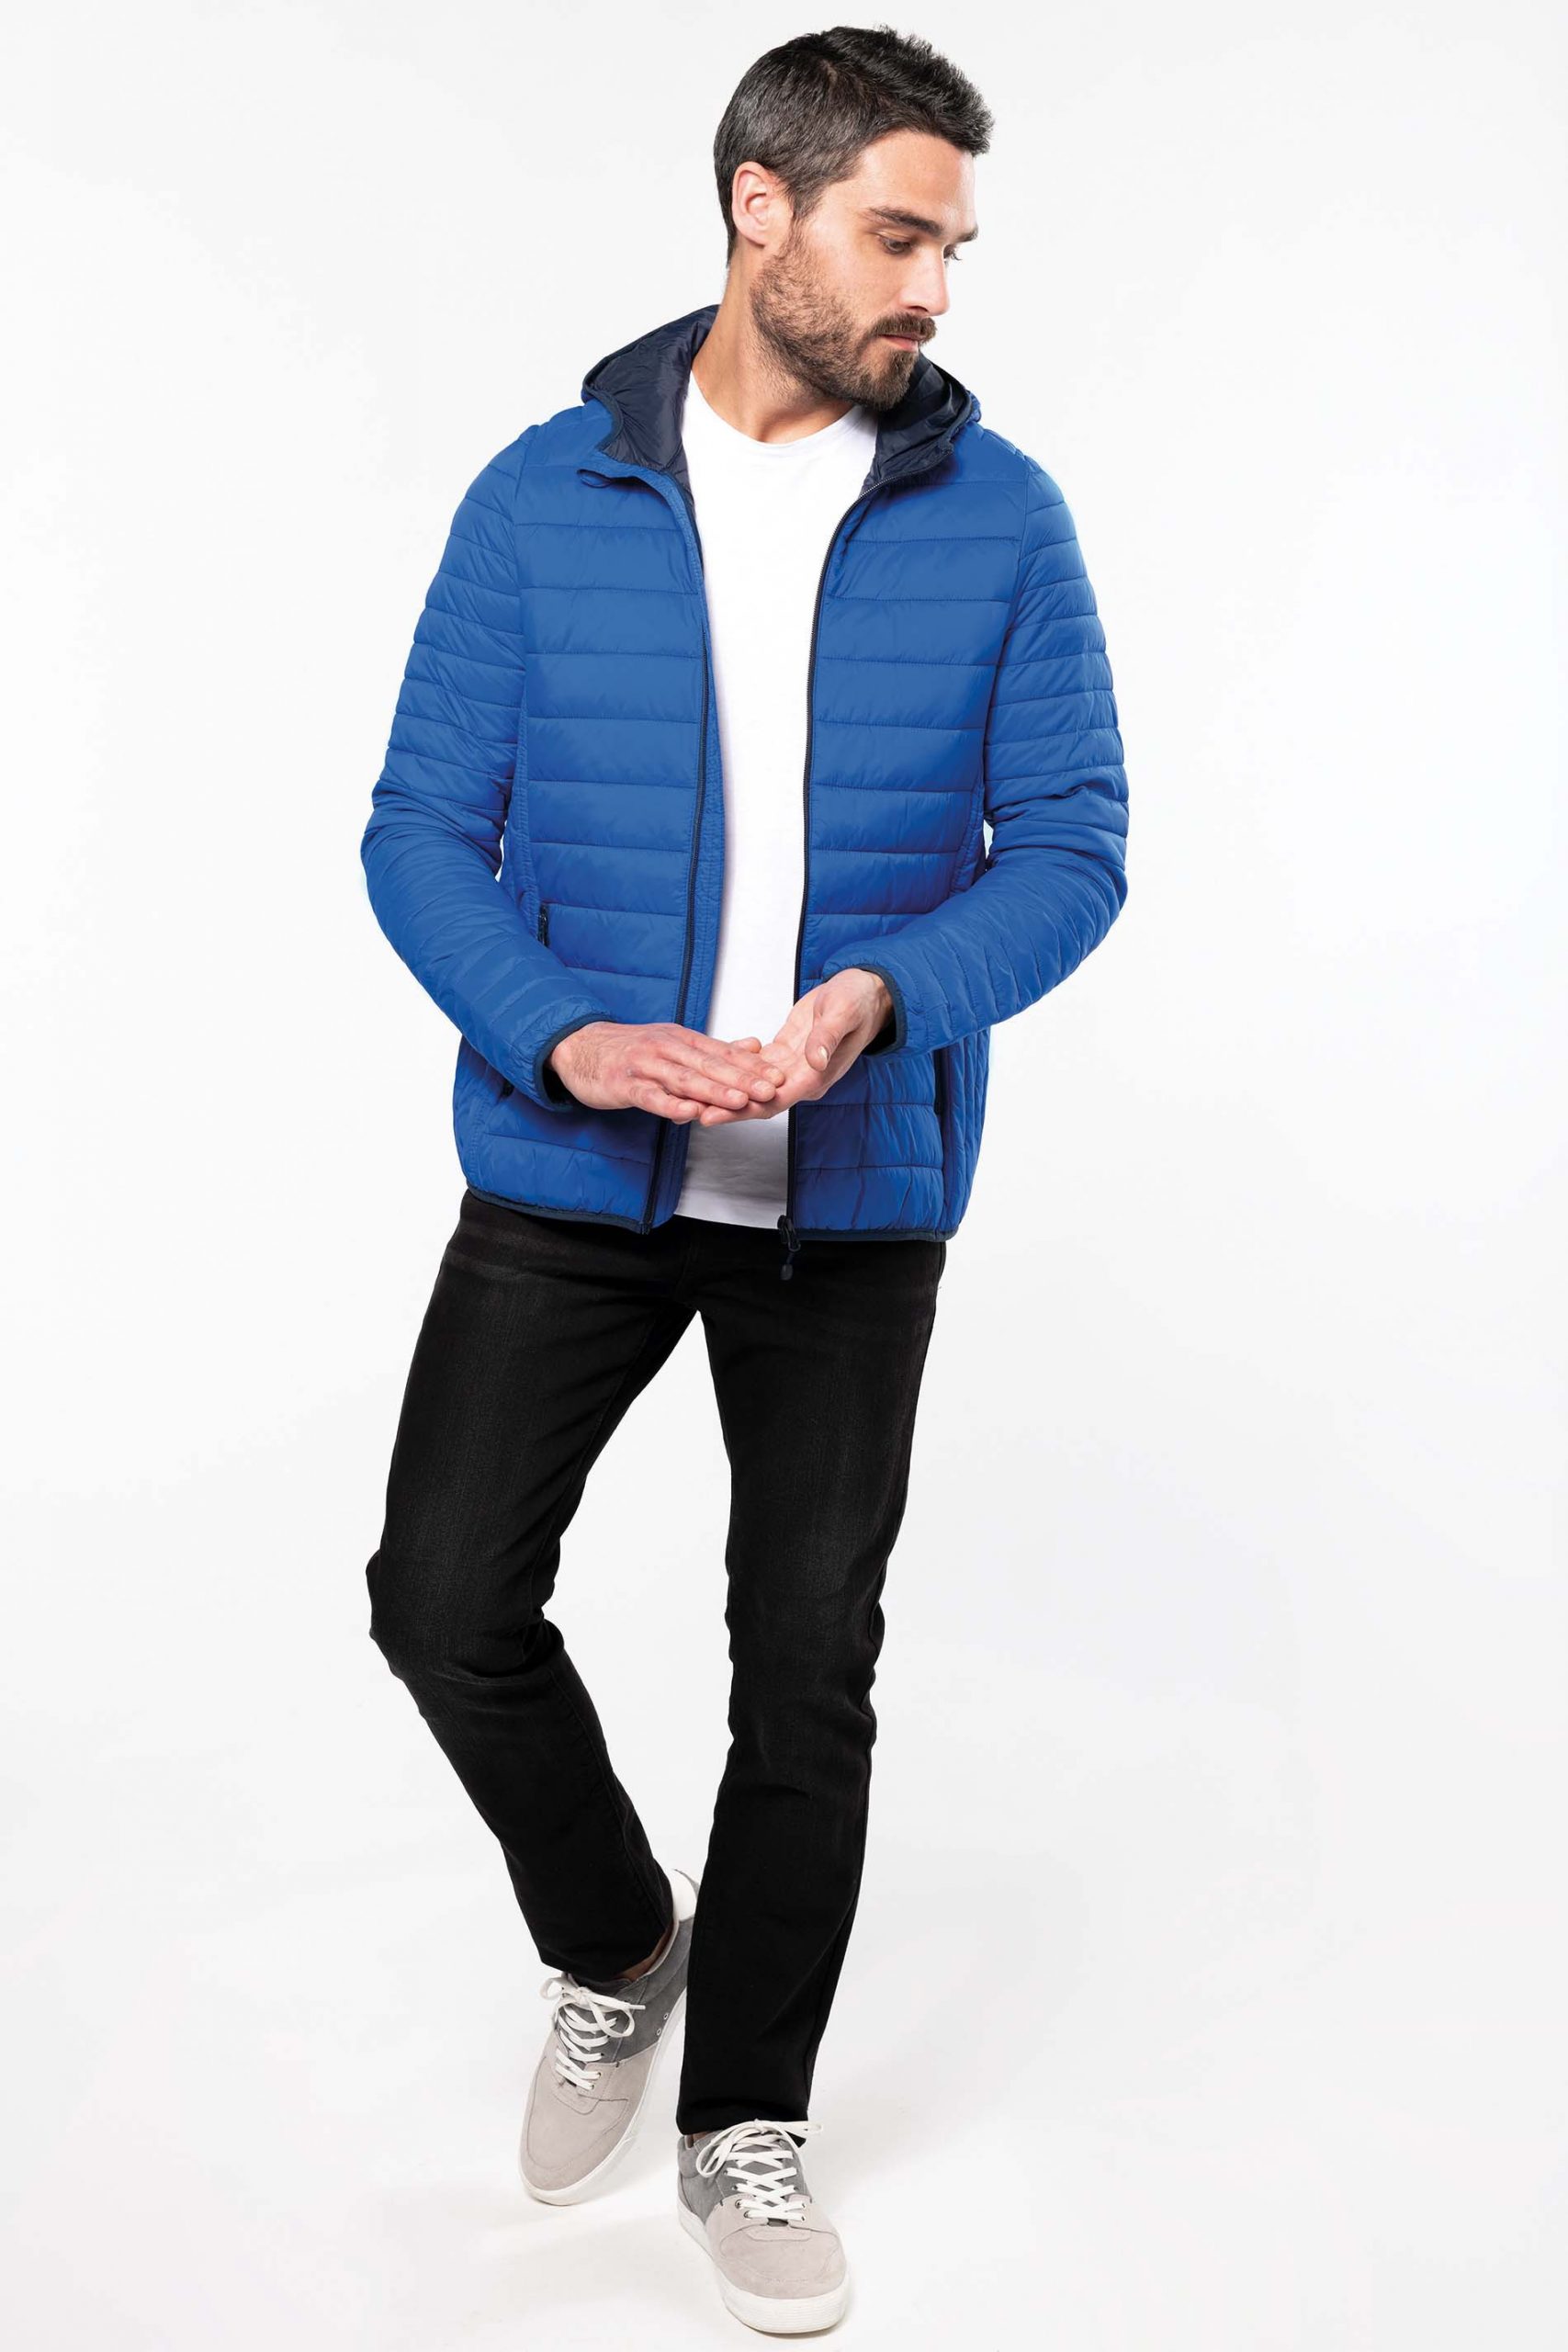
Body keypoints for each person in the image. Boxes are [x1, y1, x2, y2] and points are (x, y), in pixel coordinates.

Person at [359, 24, 1128, 2335]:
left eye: (952, 246)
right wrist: (564, 1032)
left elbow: (1072, 846)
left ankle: (744, 2116)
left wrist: (889, 988)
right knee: (437, 1597)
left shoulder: (999, 516)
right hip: (570, 1164)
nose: (935, 291)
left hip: (850, 1188)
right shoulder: (541, 497)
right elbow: (419, 830)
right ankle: (618, 1941)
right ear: (757, 210)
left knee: (804, 1676)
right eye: (898, 235)